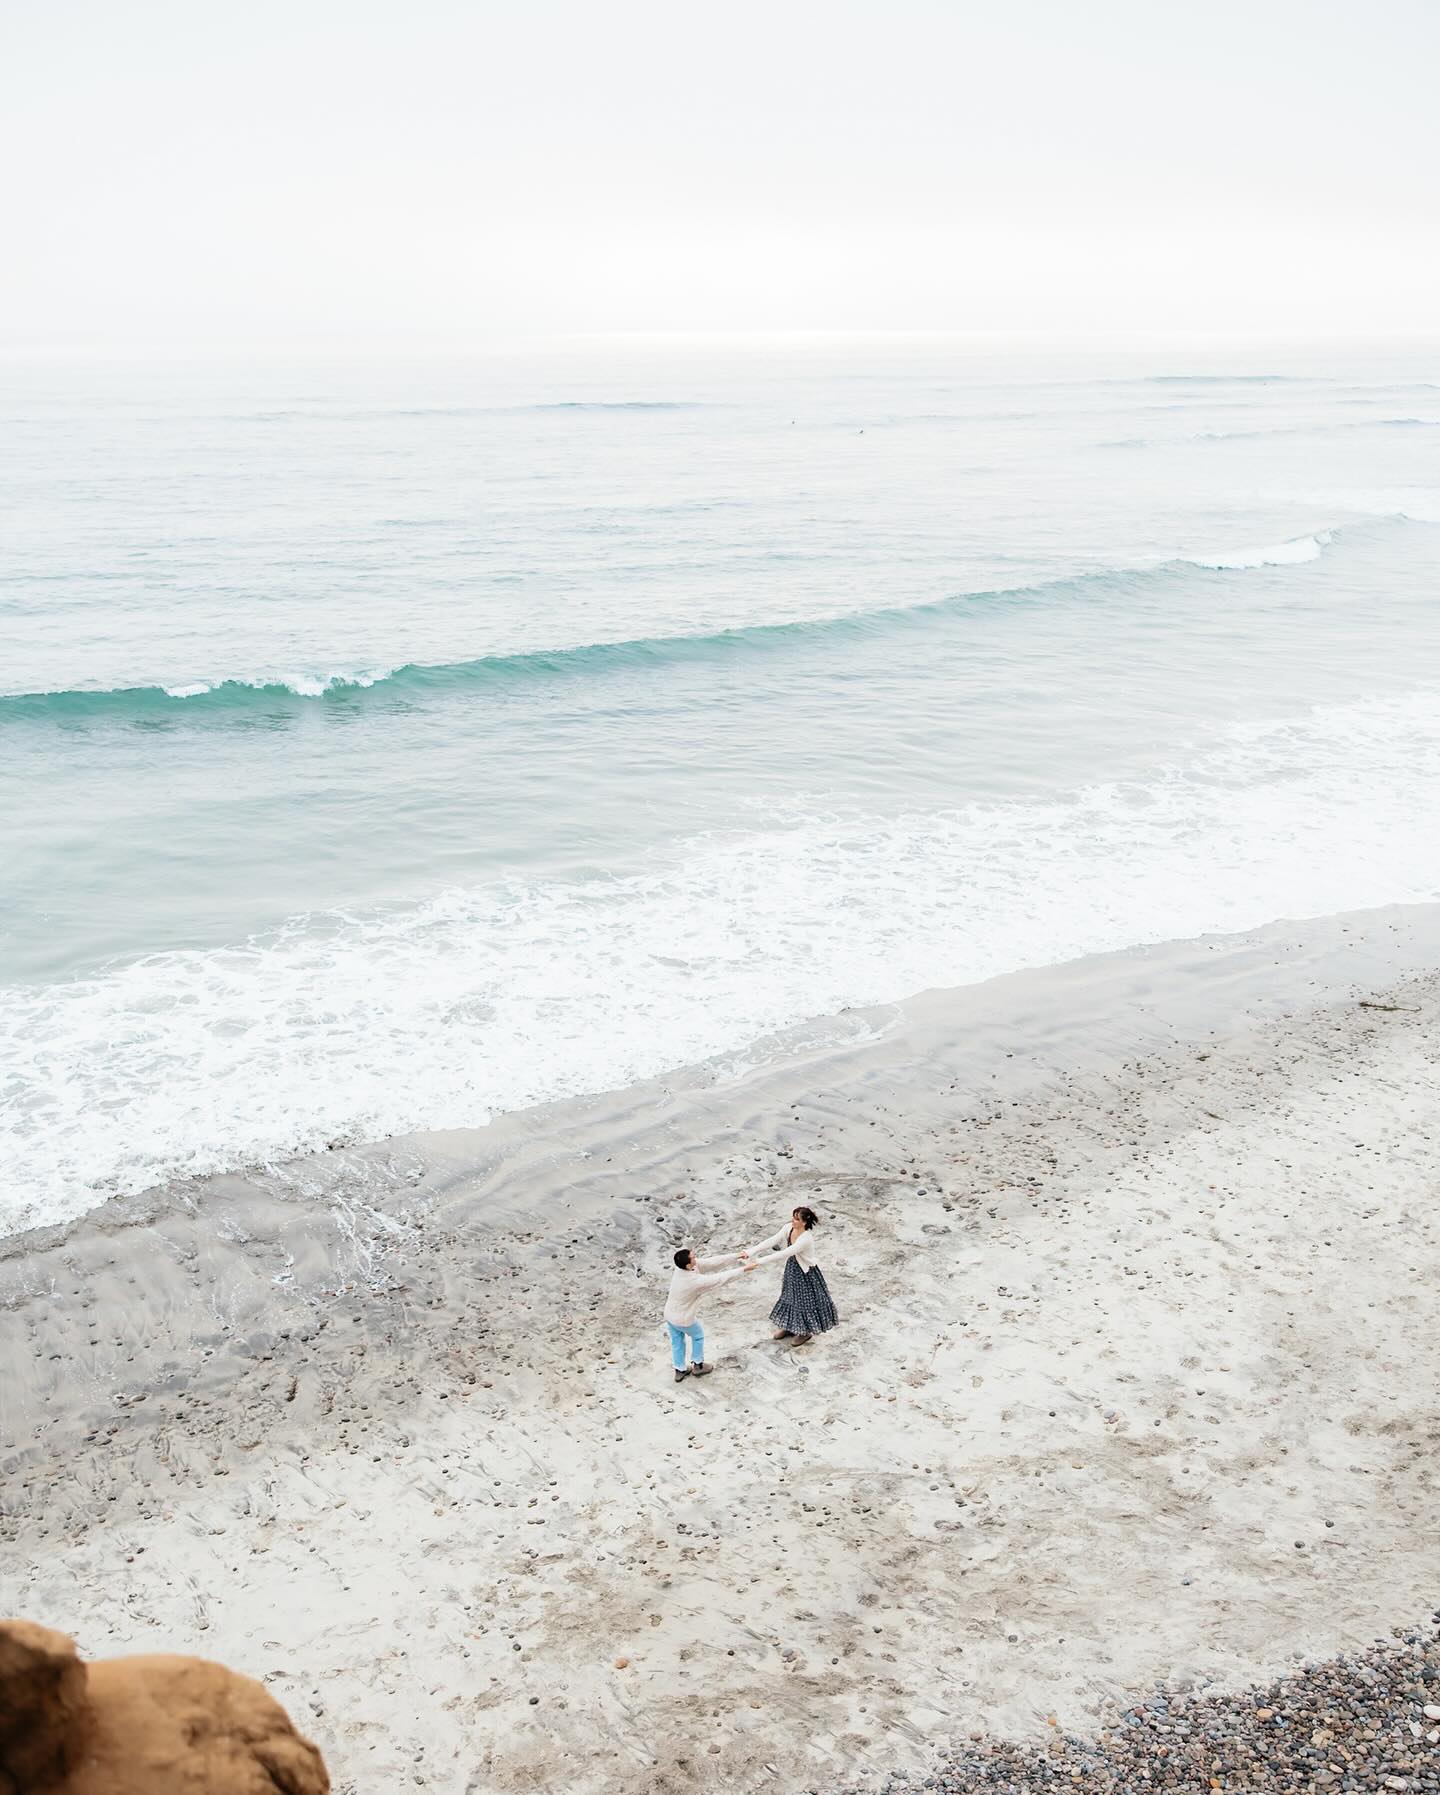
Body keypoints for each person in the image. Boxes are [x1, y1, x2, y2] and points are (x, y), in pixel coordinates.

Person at [742, 1205, 838, 1346]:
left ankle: (805, 1332)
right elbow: (772, 1240)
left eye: (796, 1219)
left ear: (804, 1222)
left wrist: (758, 1262)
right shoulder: (789, 1228)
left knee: (804, 1302)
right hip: (792, 1268)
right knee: (789, 1296)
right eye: (793, 1217)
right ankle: (789, 1327)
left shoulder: (806, 1238)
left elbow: (784, 1253)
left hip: (805, 1273)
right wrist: (750, 1252)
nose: (793, 1221)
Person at [663, 1247, 757, 1382]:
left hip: (670, 1315)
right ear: (689, 1264)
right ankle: (698, 1365)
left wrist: (736, 1256)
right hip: (683, 1318)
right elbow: (719, 1279)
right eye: (693, 1257)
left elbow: (713, 1262)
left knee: (677, 1342)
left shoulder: (682, 1268)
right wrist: (743, 1270)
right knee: (698, 1336)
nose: (696, 1258)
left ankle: (680, 1369)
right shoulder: (693, 1282)